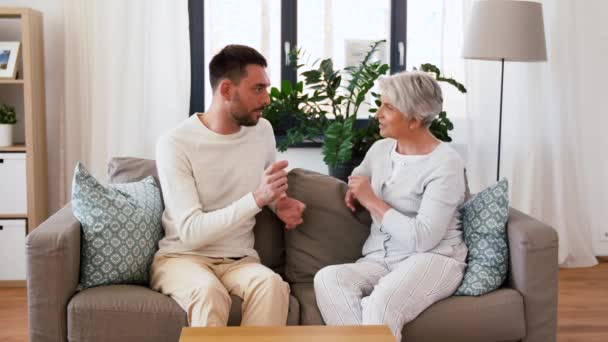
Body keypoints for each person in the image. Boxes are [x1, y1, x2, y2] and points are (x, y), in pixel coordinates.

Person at [151, 44, 306, 327]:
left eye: (266, 87)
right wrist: (258, 199)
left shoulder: (262, 131)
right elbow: (190, 233)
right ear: (226, 90)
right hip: (182, 257)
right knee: (209, 294)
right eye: (257, 89)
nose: (267, 98)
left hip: (239, 260)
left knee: (272, 286)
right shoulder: (175, 143)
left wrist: (279, 202)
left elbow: (264, 187)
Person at [313, 71, 467, 341]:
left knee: (381, 304)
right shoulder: (381, 149)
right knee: (328, 278)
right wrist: (354, 190)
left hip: (432, 259)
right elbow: (359, 178)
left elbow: (424, 238)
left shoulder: (446, 163)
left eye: (388, 107)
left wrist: (372, 201)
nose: (378, 114)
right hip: (380, 260)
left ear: (414, 118)